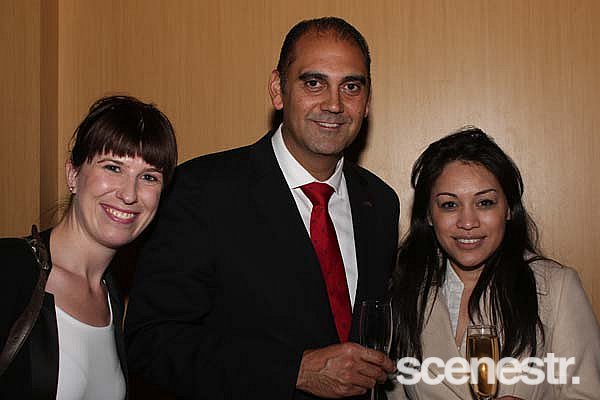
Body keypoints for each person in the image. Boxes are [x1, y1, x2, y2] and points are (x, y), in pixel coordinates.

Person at [125, 17, 399, 400]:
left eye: (351, 86)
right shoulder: (200, 191)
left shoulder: (380, 203)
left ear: (367, 101)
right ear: (278, 90)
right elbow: (151, 343)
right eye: (314, 83)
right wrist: (294, 371)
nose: (334, 104)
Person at [388, 127, 600, 399]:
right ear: (429, 215)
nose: (468, 222)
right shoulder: (405, 291)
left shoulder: (556, 288)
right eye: (450, 205)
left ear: (508, 209)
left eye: (485, 202)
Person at [0, 95, 178, 399]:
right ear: (73, 174)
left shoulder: (112, 297)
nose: (129, 194)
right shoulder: (10, 269)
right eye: (113, 168)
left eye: (149, 177)